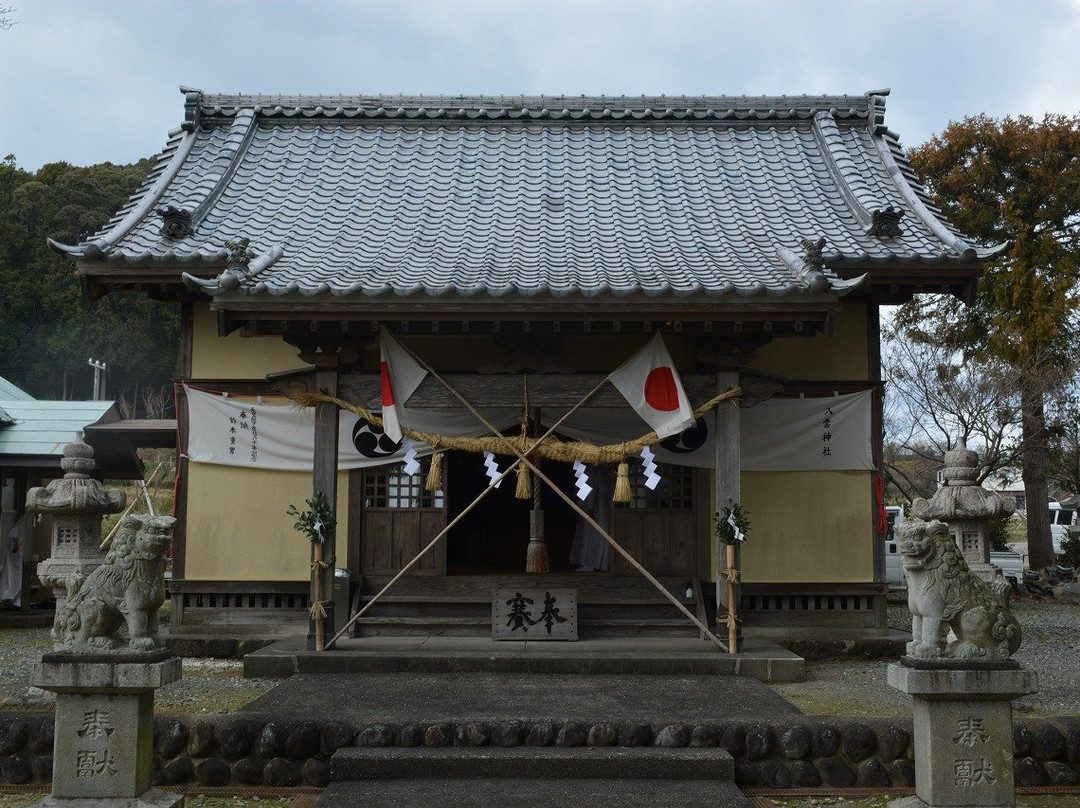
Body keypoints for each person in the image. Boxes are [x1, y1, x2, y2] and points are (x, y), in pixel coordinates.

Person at [569, 465, 613, 572]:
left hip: (595, 508)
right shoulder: (607, 470)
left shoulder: (589, 470)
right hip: (603, 507)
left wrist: (588, 507)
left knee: (591, 535)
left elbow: (589, 490)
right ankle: (603, 563)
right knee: (600, 534)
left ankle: (590, 563)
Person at [0, 511, 26, 608]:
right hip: (17, 550)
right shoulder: (25, 519)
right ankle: (10, 596)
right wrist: (16, 546)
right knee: (15, 573)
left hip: (21, 549)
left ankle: (16, 599)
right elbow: (15, 533)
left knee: (19, 574)